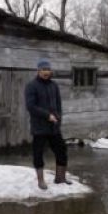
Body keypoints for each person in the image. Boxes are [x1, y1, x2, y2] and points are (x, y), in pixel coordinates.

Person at [25, 59, 72, 190]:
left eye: (48, 70)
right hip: (39, 127)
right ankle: (41, 181)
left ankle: (60, 178)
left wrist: (59, 117)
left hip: (54, 127)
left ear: (50, 71)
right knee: (38, 153)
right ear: (38, 71)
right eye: (43, 70)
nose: (46, 72)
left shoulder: (54, 85)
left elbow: (58, 105)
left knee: (61, 150)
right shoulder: (31, 86)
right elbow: (30, 106)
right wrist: (47, 115)